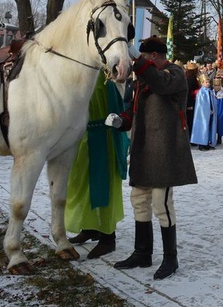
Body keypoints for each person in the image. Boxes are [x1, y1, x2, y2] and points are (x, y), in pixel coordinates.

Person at [108, 36, 197, 280]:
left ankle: (171, 258)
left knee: (162, 204)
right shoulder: (145, 77)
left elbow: (160, 84)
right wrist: (122, 120)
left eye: (145, 57)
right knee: (139, 199)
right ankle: (142, 252)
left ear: (154, 56)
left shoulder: (174, 73)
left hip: (165, 150)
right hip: (143, 148)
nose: (141, 62)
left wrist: (137, 60)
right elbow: (135, 109)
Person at [65, 76, 130, 259]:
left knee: (103, 188)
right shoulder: (79, 71)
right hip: (82, 136)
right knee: (82, 184)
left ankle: (108, 237)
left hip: (103, 138)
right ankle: (90, 228)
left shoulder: (108, 77)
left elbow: (118, 106)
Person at [190, 74, 218, 151]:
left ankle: (207, 142)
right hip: (203, 115)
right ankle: (201, 144)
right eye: (205, 82)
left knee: (209, 127)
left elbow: (212, 102)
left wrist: (212, 109)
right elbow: (201, 105)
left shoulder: (210, 92)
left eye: (208, 82)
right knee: (203, 127)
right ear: (202, 83)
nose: (208, 83)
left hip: (210, 113)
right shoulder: (201, 93)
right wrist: (207, 111)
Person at [211, 77, 223, 145]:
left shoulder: (222, 94)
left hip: (220, 111)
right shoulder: (211, 93)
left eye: (218, 85)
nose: (217, 87)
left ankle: (219, 137)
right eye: (215, 86)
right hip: (213, 111)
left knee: (220, 124)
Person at [184, 62, 199, 141]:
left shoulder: (186, 78)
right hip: (190, 102)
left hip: (187, 102)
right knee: (190, 120)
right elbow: (189, 92)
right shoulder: (192, 79)